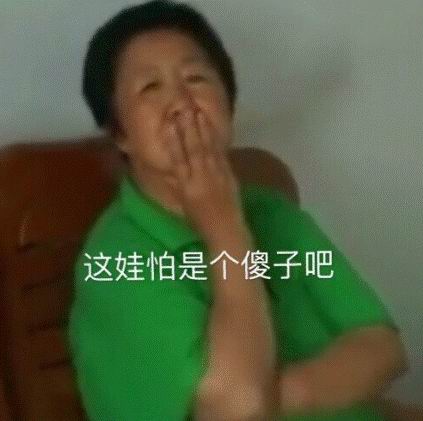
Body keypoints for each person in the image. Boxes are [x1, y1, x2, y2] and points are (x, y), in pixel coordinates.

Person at [68, 1, 408, 420]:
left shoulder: (272, 212)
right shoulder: (114, 265)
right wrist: (224, 227)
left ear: (229, 106)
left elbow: (385, 348)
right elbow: (239, 409)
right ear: (120, 134)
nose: (182, 104)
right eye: (150, 88)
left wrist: (278, 395)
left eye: (196, 78)